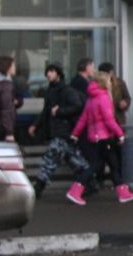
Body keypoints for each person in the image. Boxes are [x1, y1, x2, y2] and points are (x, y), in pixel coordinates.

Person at [67, 69, 133, 206]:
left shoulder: (91, 98)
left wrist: (75, 134)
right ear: (105, 82)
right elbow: (109, 120)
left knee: (110, 164)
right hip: (105, 137)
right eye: (109, 80)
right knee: (102, 165)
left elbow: (83, 119)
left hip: (95, 137)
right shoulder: (103, 97)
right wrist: (120, 134)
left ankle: (122, 191)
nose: (111, 82)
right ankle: (76, 189)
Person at [31, 64, 92, 195]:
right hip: (59, 131)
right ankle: (90, 182)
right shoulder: (51, 91)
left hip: (63, 130)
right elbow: (46, 111)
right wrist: (35, 125)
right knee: (74, 159)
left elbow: (78, 106)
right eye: (47, 72)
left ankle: (38, 187)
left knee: (51, 158)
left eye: (51, 71)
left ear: (58, 74)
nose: (48, 74)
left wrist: (60, 111)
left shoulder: (66, 90)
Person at [98, 62, 130, 129]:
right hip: (103, 119)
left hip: (118, 117)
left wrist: (125, 102)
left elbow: (127, 97)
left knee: (119, 136)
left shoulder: (119, 82)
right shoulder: (97, 84)